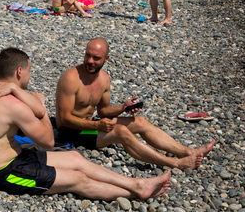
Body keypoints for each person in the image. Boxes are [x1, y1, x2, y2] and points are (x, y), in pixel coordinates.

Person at [0, 47, 172, 200]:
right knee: (77, 179)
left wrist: (22, 94)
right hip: (5, 174)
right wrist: (42, 107)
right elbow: (48, 141)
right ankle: (136, 194)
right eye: (30, 71)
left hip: (17, 157)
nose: (30, 76)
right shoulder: (13, 105)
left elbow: (32, 107)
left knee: (75, 158)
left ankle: (137, 184)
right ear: (20, 72)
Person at [55, 38, 215, 170]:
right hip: (73, 133)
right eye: (87, 56)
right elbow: (63, 120)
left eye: (96, 58)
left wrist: (122, 108)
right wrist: (97, 127)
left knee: (140, 122)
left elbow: (103, 111)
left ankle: (188, 151)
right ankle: (175, 163)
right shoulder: (71, 78)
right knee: (121, 132)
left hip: (91, 126)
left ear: (106, 59)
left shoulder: (103, 78)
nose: (90, 61)